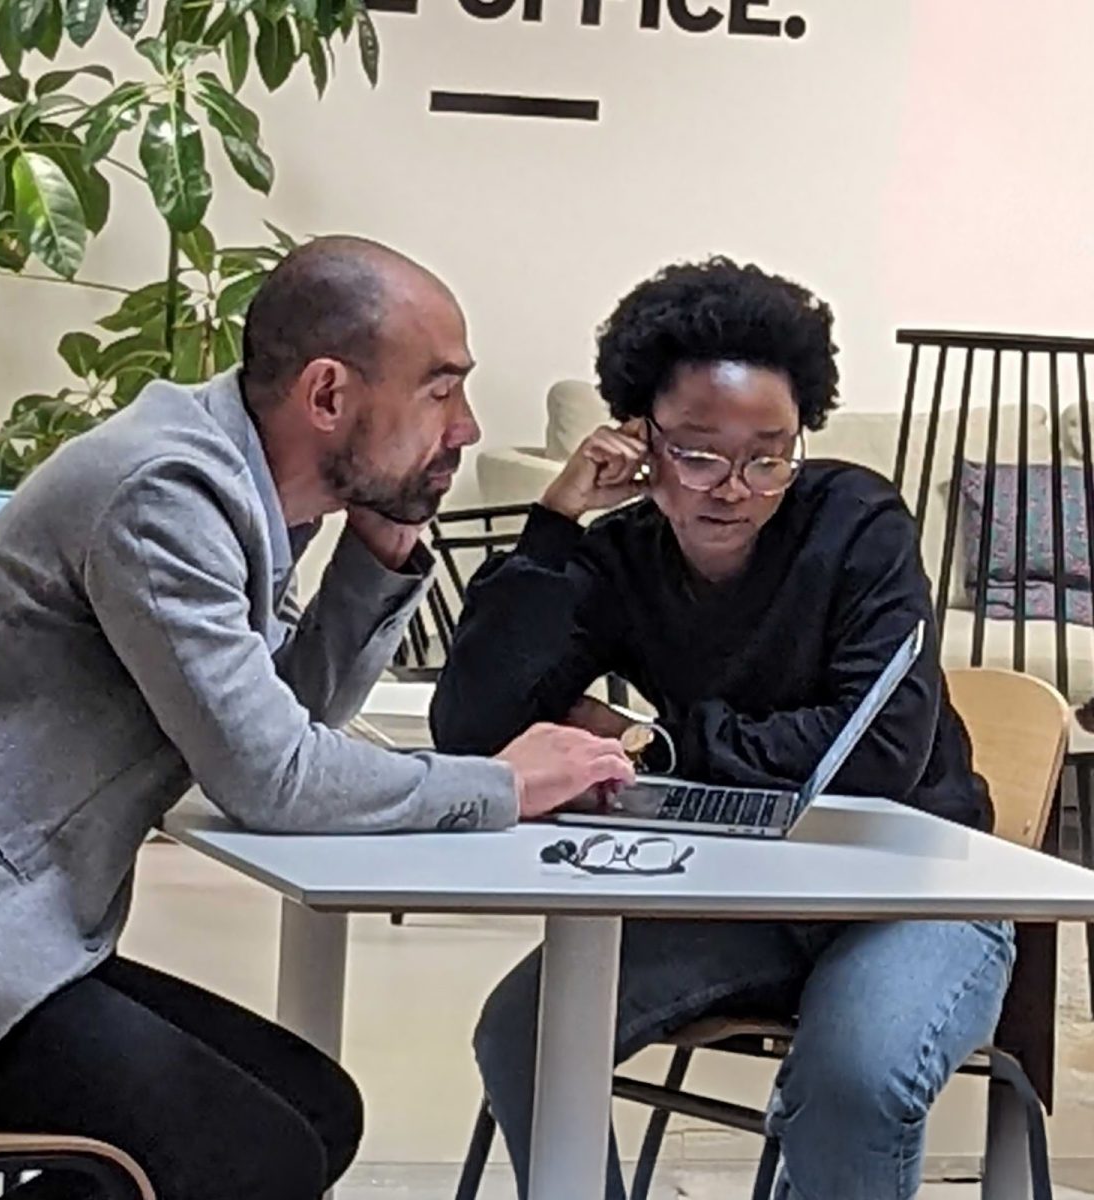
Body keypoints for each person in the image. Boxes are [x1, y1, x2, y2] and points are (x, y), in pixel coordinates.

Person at [0, 236, 635, 1200]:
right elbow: (270, 777)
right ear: (328, 396)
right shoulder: (164, 489)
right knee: (249, 1154)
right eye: (440, 390)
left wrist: (374, 563)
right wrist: (508, 782)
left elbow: (277, 731)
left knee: (313, 1111)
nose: (465, 429)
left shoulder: (237, 494)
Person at [431, 256, 1015, 1200]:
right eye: (699, 452)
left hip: (915, 887)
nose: (734, 487)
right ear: (639, 439)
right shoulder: (622, 555)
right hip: (743, 889)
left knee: (856, 1078)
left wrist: (662, 745)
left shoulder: (856, 521)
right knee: (524, 1033)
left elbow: (873, 756)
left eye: (769, 453)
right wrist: (555, 522)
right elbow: (473, 730)